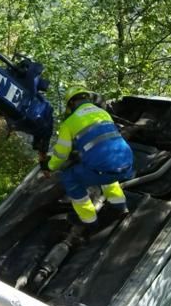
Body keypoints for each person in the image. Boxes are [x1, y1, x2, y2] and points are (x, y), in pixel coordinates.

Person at [39, 86, 134, 226]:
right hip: (128, 165)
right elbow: (98, 141)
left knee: (69, 178)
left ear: (71, 104)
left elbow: (61, 155)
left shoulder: (69, 123)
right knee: (104, 164)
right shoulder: (103, 113)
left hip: (105, 170)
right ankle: (120, 207)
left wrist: (49, 165)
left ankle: (89, 220)